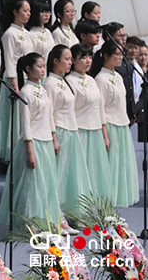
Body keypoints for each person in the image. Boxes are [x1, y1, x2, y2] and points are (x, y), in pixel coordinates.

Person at [0, 53, 61, 227]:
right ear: (28, 69)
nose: (42, 69)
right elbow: (25, 124)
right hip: (33, 143)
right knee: (32, 187)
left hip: (46, 141)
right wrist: (30, 151)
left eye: (43, 66)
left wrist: (54, 138)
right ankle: (30, 223)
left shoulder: (42, 89)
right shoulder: (26, 92)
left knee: (46, 184)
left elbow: (49, 117)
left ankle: (47, 220)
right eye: (39, 66)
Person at [44, 45, 91, 226]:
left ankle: (69, 213)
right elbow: (50, 113)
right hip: (60, 131)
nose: (70, 62)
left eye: (71, 59)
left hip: (71, 131)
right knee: (59, 177)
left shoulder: (63, 82)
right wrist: (54, 138)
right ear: (55, 61)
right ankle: (56, 216)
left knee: (70, 176)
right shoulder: (49, 83)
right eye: (67, 59)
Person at [92, 41, 139, 208]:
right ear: (106, 56)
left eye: (121, 55)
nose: (120, 58)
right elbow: (100, 108)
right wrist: (104, 134)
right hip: (109, 126)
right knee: (110, 167)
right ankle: (105, 205)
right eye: (116, 55)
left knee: (121, 168)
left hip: (122, 125)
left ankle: (115, 207)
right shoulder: (100, 79)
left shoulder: (117, 76)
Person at [66, 44, 114, 204]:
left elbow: (100, 109)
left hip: (95, 131)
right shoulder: (69, 81)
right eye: (83, 57)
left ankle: (95, 206)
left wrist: (104, 134)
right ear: (73, 60)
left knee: (96, 171)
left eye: (89, 57)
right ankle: (79, 207)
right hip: (80, 131)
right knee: (81, 172)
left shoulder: (92, 80)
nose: (87, 61)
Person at [0, 0, 34, 163]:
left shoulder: (26, 32)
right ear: (15, 12)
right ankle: (11, 153)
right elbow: (9, 61)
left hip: (27, 78)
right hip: (15, 79)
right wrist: (14, 86)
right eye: (24, 10)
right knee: (14, 117)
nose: (28, 14)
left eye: (29, 11)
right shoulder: (10, 34)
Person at [101, 22, 135, 123]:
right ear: (109, 38)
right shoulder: (108, 60)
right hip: (113, 116)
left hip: (126, 113)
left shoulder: (125, 58)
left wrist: (132, 111)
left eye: (125, 35)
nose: (124, 38)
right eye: (120, 36)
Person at [126, 36, 145, 104]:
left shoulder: (139, 68)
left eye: (136, 48)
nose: (133, 50)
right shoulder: (122, 65)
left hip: (137, 104)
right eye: (130, 47)